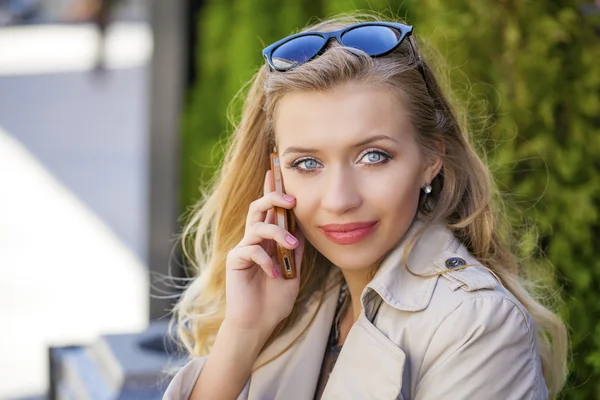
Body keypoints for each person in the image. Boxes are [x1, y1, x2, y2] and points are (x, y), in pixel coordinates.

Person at [163, 15, 568, 400]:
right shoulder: (307, 297)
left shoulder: (474, 325)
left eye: (373, 156)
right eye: (307, 163)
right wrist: (245, 329)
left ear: (430, 160)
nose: (340, 200)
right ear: (276, 174)